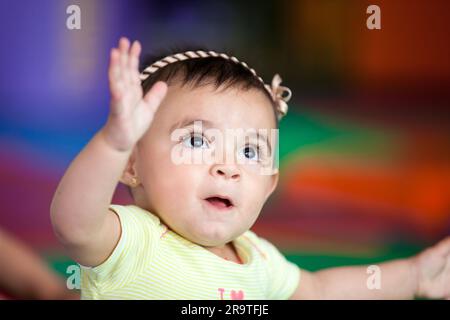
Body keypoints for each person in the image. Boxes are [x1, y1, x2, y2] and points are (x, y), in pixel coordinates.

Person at [50, 37, 450, 299]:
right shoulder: (135, 241)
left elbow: (320, 290)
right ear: (132, 164)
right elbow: (74, 223)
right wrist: (113, 143)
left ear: (270, 183)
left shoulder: (257, 257)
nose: (228, 168)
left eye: (250, 151)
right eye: (196, 141)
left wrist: (414, 274)